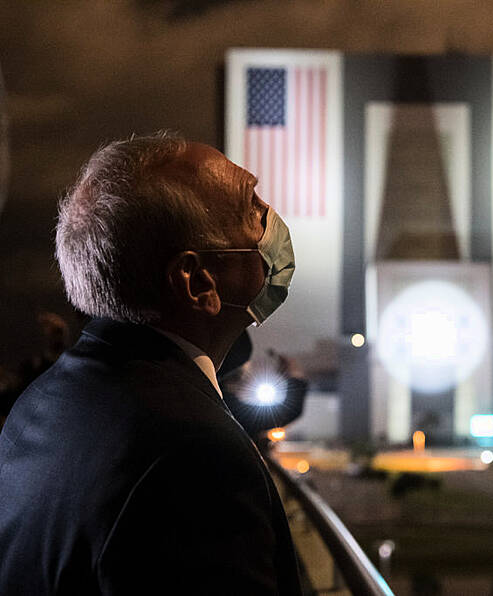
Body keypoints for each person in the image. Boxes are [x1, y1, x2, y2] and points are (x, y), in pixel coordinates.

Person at [0, 133, 302, 594]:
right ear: (199, 283)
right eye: (250, 206)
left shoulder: (42, 404)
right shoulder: (195, 458)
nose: (270, 218)